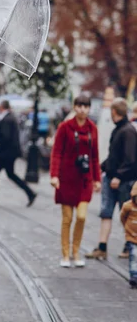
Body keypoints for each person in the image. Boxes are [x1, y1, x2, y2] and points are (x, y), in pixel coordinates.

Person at [49, 95, 101, 268]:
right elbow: (56, 152)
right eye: (79, 106)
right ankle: (65, 254)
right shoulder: (65, 127)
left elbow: (94, 156)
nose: (82, 110)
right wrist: (54, 175)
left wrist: (97, 179)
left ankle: (76, 251)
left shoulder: (92, 128)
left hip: (84, 179)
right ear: (74, 107)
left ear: (89, 108)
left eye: (86, 106)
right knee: (67, 218)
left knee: (81, 216)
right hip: (66, 178)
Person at [86, 98, 137, 260]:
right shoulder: (119, 130)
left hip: (122, 181)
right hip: (111, 178)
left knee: (127, 215)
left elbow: (130, 159)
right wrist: (101, 168)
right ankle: (102, 247)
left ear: (114, 111)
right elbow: (114, 157)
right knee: (106, 213)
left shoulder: (127, 131)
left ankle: (130, 245)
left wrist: (118, 176)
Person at [0, 100, 37, 206]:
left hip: (5, 152)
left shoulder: (7, 118)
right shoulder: (9, 117)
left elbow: (5, 136)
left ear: (2, 107)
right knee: (11, 174)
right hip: (9, 152)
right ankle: (30, 193)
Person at [120, 182, 137, 289]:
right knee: (134, 256)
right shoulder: (128, 206)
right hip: (132, 237)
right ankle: (134, 275)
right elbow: (123, 217)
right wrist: (127, 228)